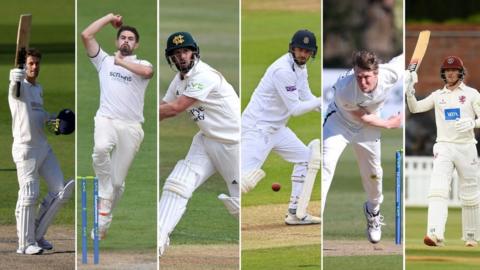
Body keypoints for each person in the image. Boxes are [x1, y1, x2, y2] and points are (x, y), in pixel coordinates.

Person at [158, 32, 240, 256]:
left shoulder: (204, 75)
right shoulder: (179, 80)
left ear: (193, 52)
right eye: (176, 54)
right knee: (177, 184)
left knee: (239, 206)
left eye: (185, 51)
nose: (182, 57)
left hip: (233, 144)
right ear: (171, 59)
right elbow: (163, 108)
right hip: (206, 140)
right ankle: (157, 238)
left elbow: (175, 109)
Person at [81, 13, 153, 239]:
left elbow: (148, 73)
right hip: (106, 119)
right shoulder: (103, 60)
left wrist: (121, 62)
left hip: (131, 127)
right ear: (116, 41)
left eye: (131, 39)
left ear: (136, 44)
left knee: (118, 183)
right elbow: (86, 35)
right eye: (122, 37)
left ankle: (104, 219)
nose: (126, 41)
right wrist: (109, 17)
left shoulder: (142, 64)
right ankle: (103, 204)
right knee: (101, 149)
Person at [241, 29, 322, 225]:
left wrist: (328, 108)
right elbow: (295, 109)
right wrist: (323, 100)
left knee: (307, 159)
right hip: (257, 129)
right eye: (300, 50)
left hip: (277, 129)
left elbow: (307, 97)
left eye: (307, 51)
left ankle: (295, 212)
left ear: (312, 53)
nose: (303, 54)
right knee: (242, 181)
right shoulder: (283, 71)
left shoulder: (300, 68)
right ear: (292, 49)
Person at [322, 51, 403, 243]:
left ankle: (373, 211)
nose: (362, 81)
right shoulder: (345, 89)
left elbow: (403, 60)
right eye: (358, 76)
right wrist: (389, 124)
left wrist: (413, 72)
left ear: (376, 73)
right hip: (339, 123)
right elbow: (363, 116)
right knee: (325, 164)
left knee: (374, 175)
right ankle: (315, 219)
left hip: (367, 130)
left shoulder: (389, 74)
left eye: (366, 77)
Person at [405, 56, 480, 247]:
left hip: (467, 147)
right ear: (443, 74)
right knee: (437, 190)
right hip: (444, 146)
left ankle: (471, 237)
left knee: (470, 194)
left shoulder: (472, 94)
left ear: (461, 72)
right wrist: (409, 91)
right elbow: (415, 108)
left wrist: (473, 122)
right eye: (447, 71)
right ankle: (434, 234)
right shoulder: (438, 96)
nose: (451, 73)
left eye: (454, 70)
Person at [8, 48, 75, 255]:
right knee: (29, 194)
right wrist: (15, 78)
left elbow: (37, 113)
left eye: (37, 63)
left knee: (62, 190)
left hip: (43, 148)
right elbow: (15, 91)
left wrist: (52, 119)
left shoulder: (38, 89)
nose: (34, 67)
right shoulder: (19, 86)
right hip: (26, 149)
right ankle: (24, 244)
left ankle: (36, 235)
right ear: (24, 65)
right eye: (30, 63)